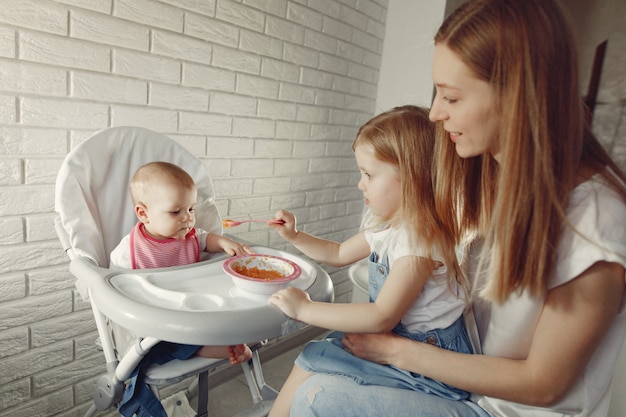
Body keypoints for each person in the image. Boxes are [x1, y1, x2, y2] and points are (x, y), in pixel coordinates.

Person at [287, 1, 626, 416]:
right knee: (312, 363)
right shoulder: (491, 178)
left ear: (516, 94)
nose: (435, 113)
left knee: (316, 397)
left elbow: (543, 385)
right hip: (463, 376)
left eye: (450, 96)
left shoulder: (594, 223)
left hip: (509, 409)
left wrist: (396, 353)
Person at [266, 105, 473, 417]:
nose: (360, 184)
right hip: (399, 340)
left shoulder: (420, 240)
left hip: (431, 364)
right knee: (314, 354)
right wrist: (296, 236)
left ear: (413, 177)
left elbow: (381, 316)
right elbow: (337, 254)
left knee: (318, 361)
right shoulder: (388, 228)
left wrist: (304, 309)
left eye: (369, 174)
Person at [109, 161, 253, 417]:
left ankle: (222, 342)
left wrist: (225, 242)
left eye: (191, 209)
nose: (187, 218)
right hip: (154, 323)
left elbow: (207, 239)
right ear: (143, 213)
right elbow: (115, 291)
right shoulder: (128, 252)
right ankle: (214, 346)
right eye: (176, 212)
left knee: (214, 322)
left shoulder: (189, 237)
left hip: (192, 314)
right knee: (158, 345)